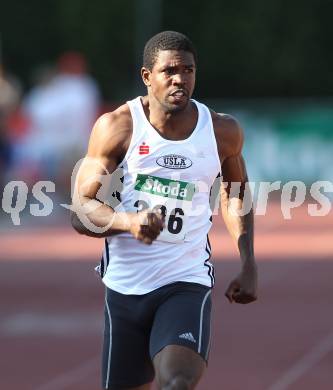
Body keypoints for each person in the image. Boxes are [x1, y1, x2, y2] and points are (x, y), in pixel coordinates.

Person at [71, 31, 257, 390]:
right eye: (169, 71)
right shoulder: (118, 128)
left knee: (178, 382)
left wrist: (248, 261)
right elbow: (81, 211)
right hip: (125, 286)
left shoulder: (221, 130)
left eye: (187, 70)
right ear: (147, 76)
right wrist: (128, 222)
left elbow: (237, 193)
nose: (179, 79)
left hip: (185, 280)